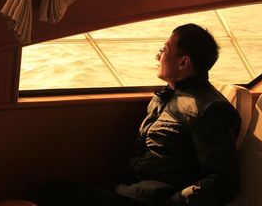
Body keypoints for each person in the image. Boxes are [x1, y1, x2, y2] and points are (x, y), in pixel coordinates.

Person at [38, 23, 241, 206]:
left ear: (183, 63)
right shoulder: (166, 97)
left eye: (163, 50)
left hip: (154, 200)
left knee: (57, 194)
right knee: (55, 190)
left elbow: (223, 181)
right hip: (132, 191)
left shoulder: (211, 110)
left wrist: (173, 201)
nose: (157, 56)